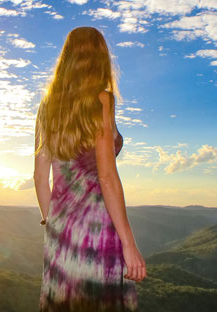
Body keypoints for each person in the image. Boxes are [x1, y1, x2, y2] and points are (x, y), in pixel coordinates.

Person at [33, 26, 146, 311]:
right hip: (98, 229)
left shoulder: (47, 107)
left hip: (60, 233)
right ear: (100, 58)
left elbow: (39, 176)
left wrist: (53, 222)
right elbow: (107, 177)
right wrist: (129, 244)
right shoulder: (102, 100)